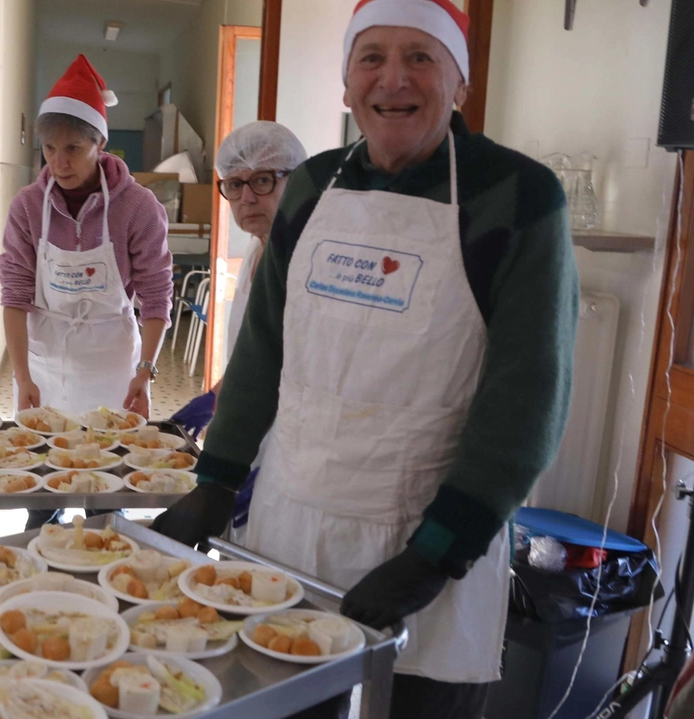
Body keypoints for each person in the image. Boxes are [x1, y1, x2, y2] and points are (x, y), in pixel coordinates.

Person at [152, 1, 578, 716]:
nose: (393, 79)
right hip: (292, 527)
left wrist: (435, 553)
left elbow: (526, 401)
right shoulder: (313, 187)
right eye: (371, 57)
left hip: (425, 536)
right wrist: (218, 480)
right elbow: (262, 353)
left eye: (421, 56)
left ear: (461, 82)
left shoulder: (518, 198)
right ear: (347, 85)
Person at [0, 55, 173, 530]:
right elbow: (13, 294)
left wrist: (146, 372)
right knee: (39, 490)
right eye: (50, 149)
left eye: (74, 148)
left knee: (104, 491)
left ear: (100, 143)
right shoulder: (29, 206)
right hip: (45, 361)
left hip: (110, 365)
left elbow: (157, 297)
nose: (59, 162)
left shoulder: (138, 208)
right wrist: (22, 376)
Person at [170, 121, 307, 536]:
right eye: (233, 183)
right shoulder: (255, 251)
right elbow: (256, 354)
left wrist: (267, 468)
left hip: (290, 451)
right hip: (250, 440)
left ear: (296, 181)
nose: (246, 197)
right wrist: (213, 397)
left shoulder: (305, 263)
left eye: (263, 181)